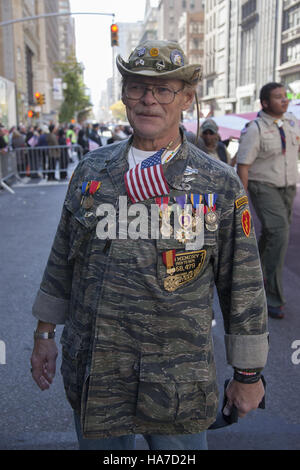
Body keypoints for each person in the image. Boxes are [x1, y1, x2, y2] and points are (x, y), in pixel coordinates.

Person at [31, 40, 268, 451]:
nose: (148, 100)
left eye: (163, 89)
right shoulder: (92, 172)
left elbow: (243, 284)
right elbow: (61, 262)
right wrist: (44, 335)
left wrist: (248, 375)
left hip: (177, 383)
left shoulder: (218, 183)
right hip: (97, 374)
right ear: (124, 94)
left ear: (186, 98)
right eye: (137, 87)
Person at [237, 82, 300, 320]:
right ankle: (273, 297)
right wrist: (242, 201)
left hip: (287, 187)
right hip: (263, 186)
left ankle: (254, 268)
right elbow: (243, 165)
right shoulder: (255, 128)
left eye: (285, 96)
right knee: (280, 234)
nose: (284, 100)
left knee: (272, 234)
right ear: (264, 103)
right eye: (278, 97)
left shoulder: (292, 121)